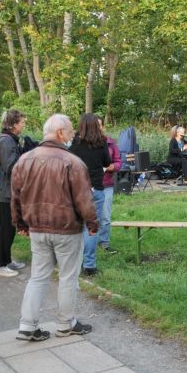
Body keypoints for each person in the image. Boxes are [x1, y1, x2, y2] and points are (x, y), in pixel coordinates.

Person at [11, 114, 98, 341]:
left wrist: (20, 223)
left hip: (37, 229)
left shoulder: (24, 160)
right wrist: (92, 223)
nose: (72, 137)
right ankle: (66, 323)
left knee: (38, 277)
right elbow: (84, 200)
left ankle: (27, 326)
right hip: (66, 229)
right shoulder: (73, 162)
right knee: (68, 277)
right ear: (60, 133)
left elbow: (16, 197)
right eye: (70, 132)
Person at [70, 114, 112, 277]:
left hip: (77, 190)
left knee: (77, 227)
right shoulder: (101, 143)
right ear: (96, 126)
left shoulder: (75, 144)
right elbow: (107, 163)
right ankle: (89, 265)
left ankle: (75, 261)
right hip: (96, 189)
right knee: (92, 228)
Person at [0, 110, 27, 277]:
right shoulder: (6, 142)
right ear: (13, 125)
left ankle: (7, 260)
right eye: (21, 122)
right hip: (1, 194)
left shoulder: (11, 140)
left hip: (8, 193)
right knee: (2, 229)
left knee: (10, 229)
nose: (23, 124)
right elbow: (11, 168)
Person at [98, 118, 122, 254]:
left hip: (106, 184)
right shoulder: (84, 144)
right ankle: (89, 242)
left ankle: (104, 243)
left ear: (103, 127)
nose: (97, 128)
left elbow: (119, 162)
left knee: (105, 216)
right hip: (89, 185)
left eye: (99, 125)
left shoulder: (111, 143)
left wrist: (110, 167)